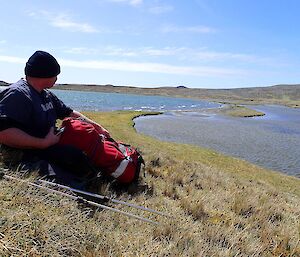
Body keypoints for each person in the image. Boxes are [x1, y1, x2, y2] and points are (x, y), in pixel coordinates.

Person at [0, 50, 109, 187]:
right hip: (29, 150)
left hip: (50, 143)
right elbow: (4, 133)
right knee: (74, 157)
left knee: (87, 145)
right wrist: (43, 143)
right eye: (55, 75)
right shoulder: (17, 95)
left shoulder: (46, 94)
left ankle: (108, 174)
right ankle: (97, 184)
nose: (57, 79)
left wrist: (98, 128)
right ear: (44, 74)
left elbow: (68, 112)